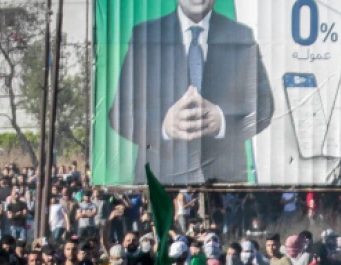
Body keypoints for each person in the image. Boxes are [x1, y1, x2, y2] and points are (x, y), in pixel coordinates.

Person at [108, 0, 274, 184]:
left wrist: (222, 120)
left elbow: (264, 106)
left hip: (224, 182)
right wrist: (164, 126)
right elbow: (120, 113)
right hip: (160, 181)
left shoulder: (241, 35)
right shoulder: (145, 35)